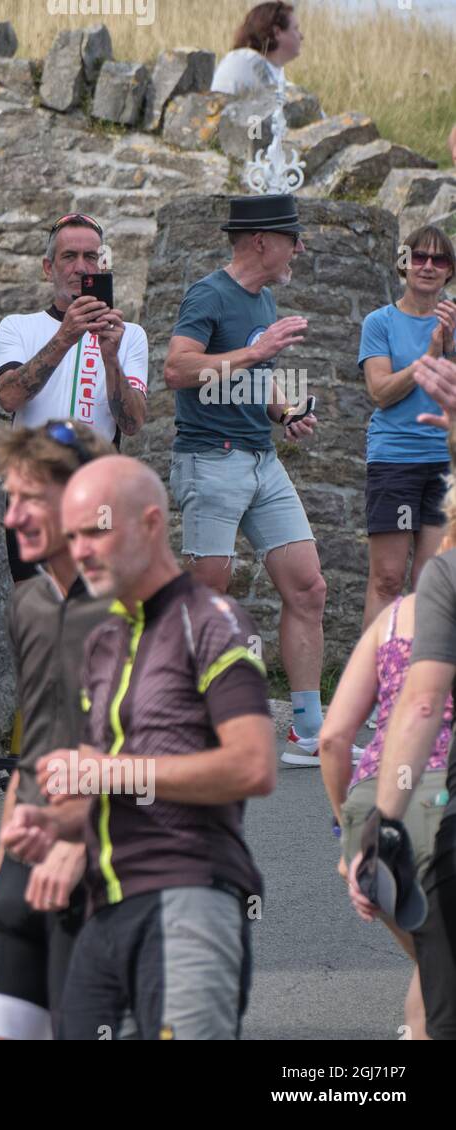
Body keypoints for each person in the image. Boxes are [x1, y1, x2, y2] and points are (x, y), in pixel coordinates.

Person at [3, 456, 275, 1040]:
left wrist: (105, 772)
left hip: (187, 899)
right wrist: (54, 825)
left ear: (151, 524)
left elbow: (252, 765)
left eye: (97, 529)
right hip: (102, 913)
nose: (81, 550)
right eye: (72, 536)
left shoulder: (216, 622)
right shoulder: (105, 641)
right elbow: (106, 787)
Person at [0, 420, 115, 1040]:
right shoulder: (32, 605)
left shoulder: (136, 608)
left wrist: (82, 844)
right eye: (9, 499)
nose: (11, 517)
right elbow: (32, 765)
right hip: (27, 872)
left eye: (30, 500)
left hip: (114, 872)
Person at [163, 193, 332, 769]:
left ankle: (308, 730)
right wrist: (255, 349)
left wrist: (285, 412)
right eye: (292, 237)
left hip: (262, 460)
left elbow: (258, 376)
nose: (299, 248)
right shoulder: (209, 294)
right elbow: (177, 368)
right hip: (211, 458)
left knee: (308, 587)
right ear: (261, 240)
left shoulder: (266, 298)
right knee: (211, 591)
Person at [319, 515, 455, 1041]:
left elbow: (333, 738)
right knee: (439, 972)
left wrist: (348, 830)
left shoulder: (393, 620)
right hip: (438, 799)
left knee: (433, 964)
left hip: (372, 809)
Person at [0, 212, 148, 583]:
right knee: (40, 617)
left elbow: (132, 423)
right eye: (69, 257)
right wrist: (66, 336)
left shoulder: (130, 335)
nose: (81, 267)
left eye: (91, 257)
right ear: (49, 267)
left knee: (93, 617)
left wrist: (110, 358)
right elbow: (10, 397)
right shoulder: (18, 326)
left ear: (103, 264)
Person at [358, 225, 456, 634]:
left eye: (439, 260)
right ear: (403, 263)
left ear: (450, 271)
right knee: (387, 578)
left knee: (431, 583)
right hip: (395, 461)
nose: (428, 266)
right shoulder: (380, 322)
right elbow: (380, 393)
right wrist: (432, 351)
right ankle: (374, 689)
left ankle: (419, 685)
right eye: (419, 257)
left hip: (444, 465)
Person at [211, 2, 303, 97]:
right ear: (277, 33)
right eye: (295, 29)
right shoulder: (243, 62)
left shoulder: (274, 71)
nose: (301, 36)